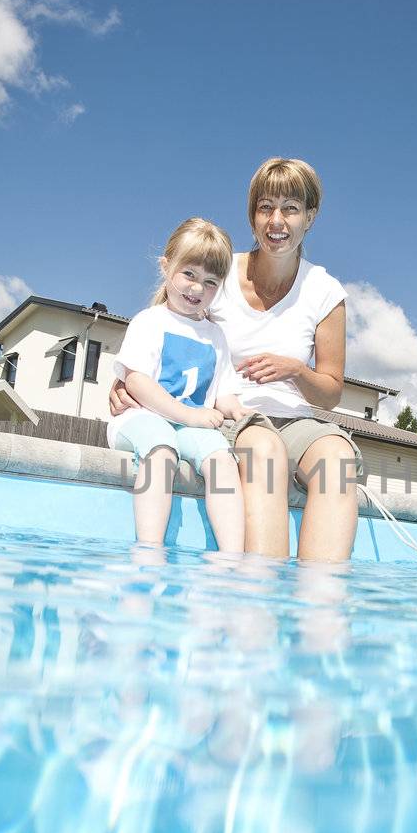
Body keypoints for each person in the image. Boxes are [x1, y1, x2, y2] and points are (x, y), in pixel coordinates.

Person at [111, 158, 360, 562]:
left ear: (310, 217)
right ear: (252, 215)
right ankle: (256, 603)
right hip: (233, 417)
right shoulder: (219, 274)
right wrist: (126, 381)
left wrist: (296, 370)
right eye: (265, 207)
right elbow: (168, 325)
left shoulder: (325, 291)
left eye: (291, 209)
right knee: (264, 451)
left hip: (297, 418)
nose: (276, 221)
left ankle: (320, 607)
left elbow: (330, 392)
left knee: (338, 460)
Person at [108, 218, 251, 552]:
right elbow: (137, 382)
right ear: (165, 267)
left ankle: (230, 558)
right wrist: (189, 416)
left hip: (187, 425)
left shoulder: (216, 336)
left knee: (222, 459)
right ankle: (149, 550)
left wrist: (236, 410)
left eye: (210, 282)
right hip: (140, 419)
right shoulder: (150, 321)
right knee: (161, 449)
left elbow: (223, 393)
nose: (198, 288)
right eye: (189, 274)